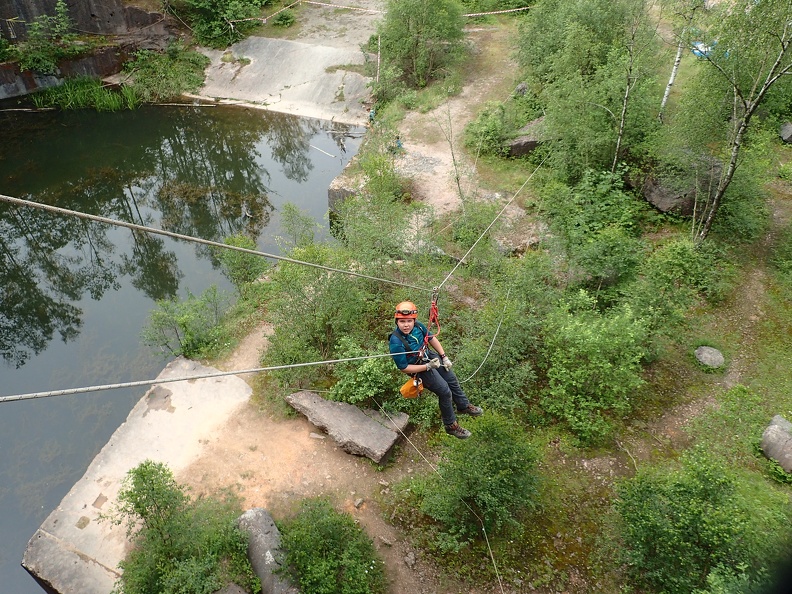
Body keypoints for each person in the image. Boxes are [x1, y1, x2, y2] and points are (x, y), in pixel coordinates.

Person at [388, 301, 483, 439]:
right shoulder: (396, 341)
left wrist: (444, 357)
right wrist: (427, 367)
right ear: (397, 322)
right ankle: (451, 425)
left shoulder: (418, 327)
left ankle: (463, 406)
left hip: (429, 356)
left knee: (451, 379)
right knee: (444, 391)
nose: (406, 324)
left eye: (409, 321)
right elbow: (404, 367)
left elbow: (431, 339)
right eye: (402, 321)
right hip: (418, 367)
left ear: (414, 320)